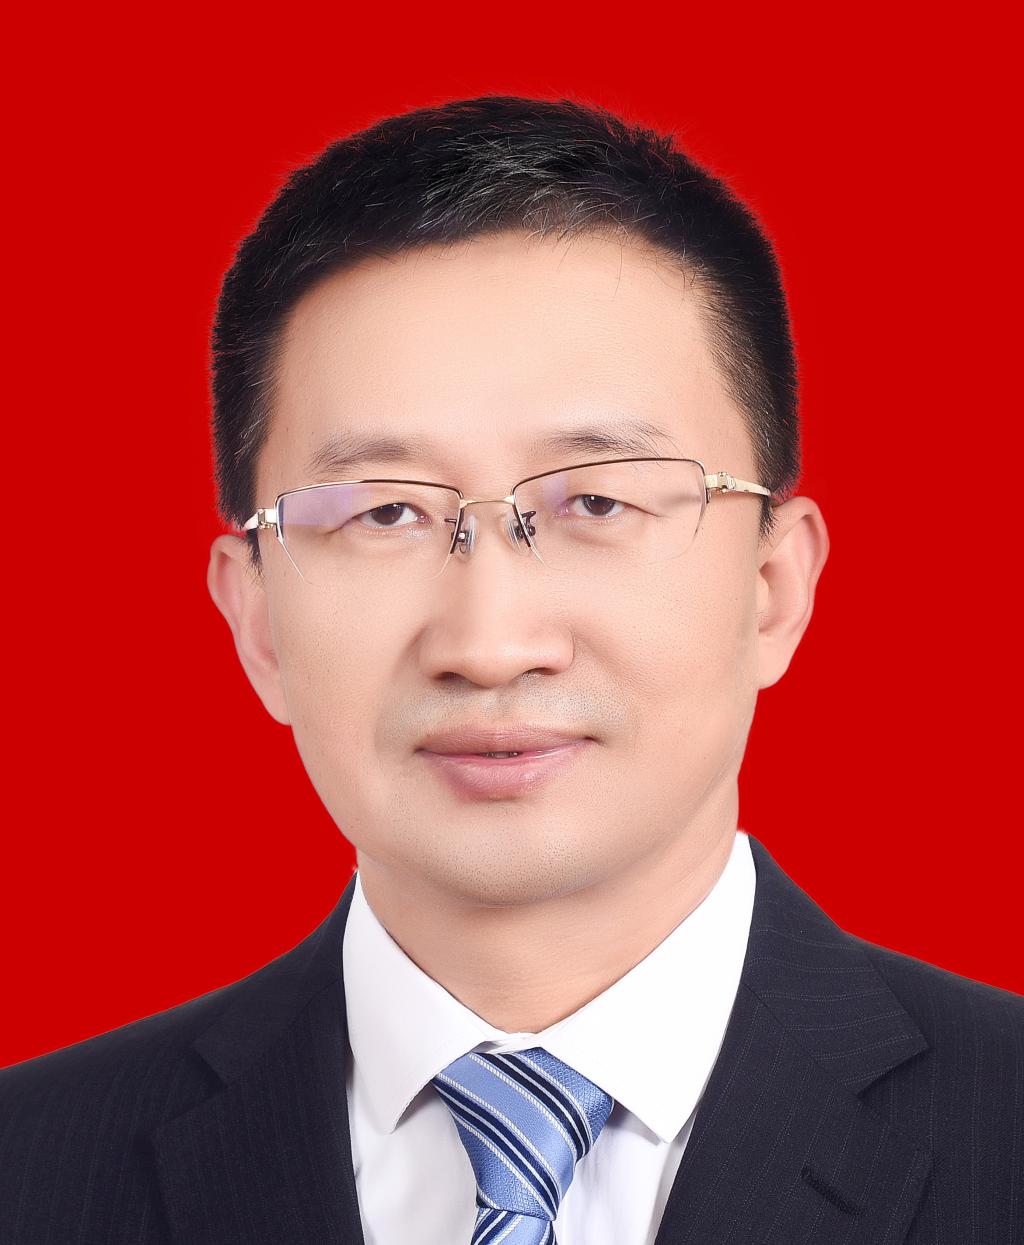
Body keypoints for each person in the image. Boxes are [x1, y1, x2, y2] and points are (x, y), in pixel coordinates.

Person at [1, 95, 1020, 1245]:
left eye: (597, 502)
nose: (488, 643)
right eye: (384, 513)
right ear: (257, 621)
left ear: (773, 588)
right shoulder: (29, 1172)